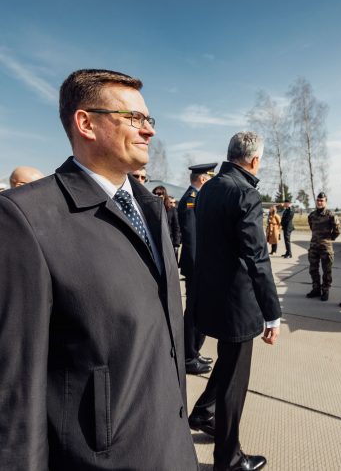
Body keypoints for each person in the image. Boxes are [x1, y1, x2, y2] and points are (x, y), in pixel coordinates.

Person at [0, 69, 198, 470]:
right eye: (134, 118)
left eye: (149, 120)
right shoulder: (28, 219)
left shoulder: (151, 208)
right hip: (103, 459)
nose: (149, 131)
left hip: (171, 447)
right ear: (85, 123)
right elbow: (16, 383)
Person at [188, 131, 281, 471]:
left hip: (210, 295)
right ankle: (228, 460)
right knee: (235, 382)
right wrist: (272, 314)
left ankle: (203, 412)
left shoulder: (209, 188)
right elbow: (257, 258)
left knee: (226, 366)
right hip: (238, 305)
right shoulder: (246, 193)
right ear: (254, 160)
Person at [178, 162, 217, 375]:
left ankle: (194, 351)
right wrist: (197, 267)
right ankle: (189, 357)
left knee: (199, 310)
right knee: (194, 312)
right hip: (196, 266)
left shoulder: (197, 198)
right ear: (203, 179)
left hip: (198, 265)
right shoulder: (191, 200)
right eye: (209, 178)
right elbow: (191, 237)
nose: (210, 181)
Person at [306, 192, 341, 302]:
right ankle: (316, 289)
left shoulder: (331, 215)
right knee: (313, 269)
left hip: (326, 247)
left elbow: (337, 230)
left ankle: (325, 290)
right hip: (314, 246)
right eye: (318, 200)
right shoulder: (312, 215)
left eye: (322, 200)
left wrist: (329, 239)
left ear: (325, 202)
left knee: (327, 270)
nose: (319, 202)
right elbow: (312, 227)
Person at [152, 185, 181, 258]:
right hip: (155, 242)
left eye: (160, 194)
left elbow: (176, 228)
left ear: (165, 196)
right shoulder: (150, 208)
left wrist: (176, 244)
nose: (157, 196)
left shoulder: (171, 210)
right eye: (155, 194)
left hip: (169, 242)